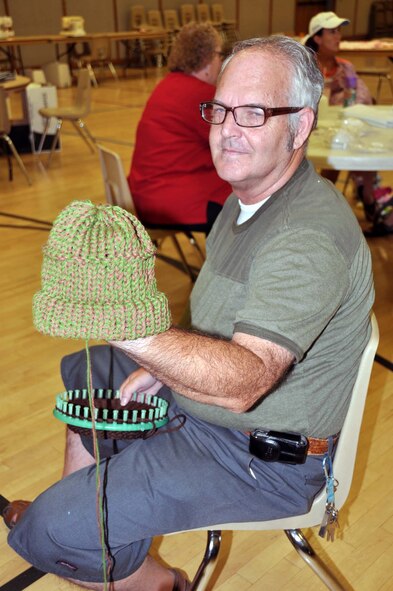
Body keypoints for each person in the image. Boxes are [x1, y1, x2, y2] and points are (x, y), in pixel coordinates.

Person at [5, 36, 374, 591]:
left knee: (48, 532)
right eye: (220, 109)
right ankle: (84, 523)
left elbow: (244, 383)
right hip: (214, 415)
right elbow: (224, 324)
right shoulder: (244, 197)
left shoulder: (307, 237)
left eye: (253, 112)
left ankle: (139, 571)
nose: (228, 128)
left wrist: (126, 324)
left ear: (300, 126)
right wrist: (159, 361)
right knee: (90, 372)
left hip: (259, 461)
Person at [128, 22, 231, 235]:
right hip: (171, 200)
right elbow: (230, 142)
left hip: (145, 192)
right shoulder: (199, 95)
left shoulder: (168, 85)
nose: (221, 62)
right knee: (256, 195)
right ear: (207, 58)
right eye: (220, 55)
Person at [304, 11, 393, 236]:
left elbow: (363, 101)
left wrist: (348, 93)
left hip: (338, 134)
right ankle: (368, 201)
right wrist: (327, 90)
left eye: (338, 32)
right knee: (340, 155)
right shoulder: (304, 66)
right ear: (317, 38)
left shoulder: (346, 67)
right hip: (310, 134)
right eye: (332, 32)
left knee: (357, 147)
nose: (338, 37)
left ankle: (368, 200)